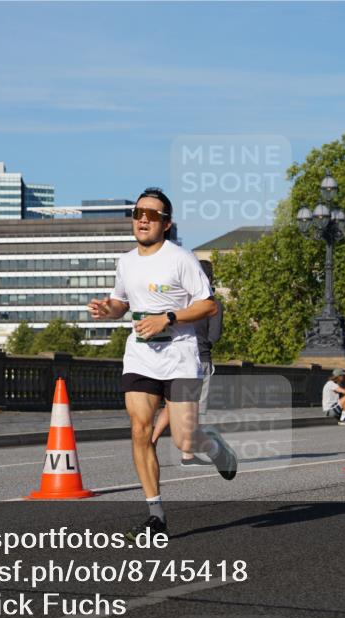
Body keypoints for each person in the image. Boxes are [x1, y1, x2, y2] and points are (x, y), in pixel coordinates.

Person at [87, 187, 237, 540]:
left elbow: (208, 305)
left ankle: (212, 445)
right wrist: (108, 309)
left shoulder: (181, 259)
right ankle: (156, 516)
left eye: (152, 215)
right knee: (140, 428)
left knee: (185, 440)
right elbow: (121, 302)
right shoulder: (126, 262)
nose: (143, 219)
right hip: (141, 355)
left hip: (180, 356)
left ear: (166, 224)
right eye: (138, 213)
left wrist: (167, 317)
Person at [151, 259, 223, 466]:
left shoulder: (179, 302)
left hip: (174, 357)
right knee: (193, 410)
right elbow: (215, 335)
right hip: (200, 359)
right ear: (210, 279)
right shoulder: (212, 304)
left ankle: (151, 441)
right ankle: (188, 455)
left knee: (172, 405)